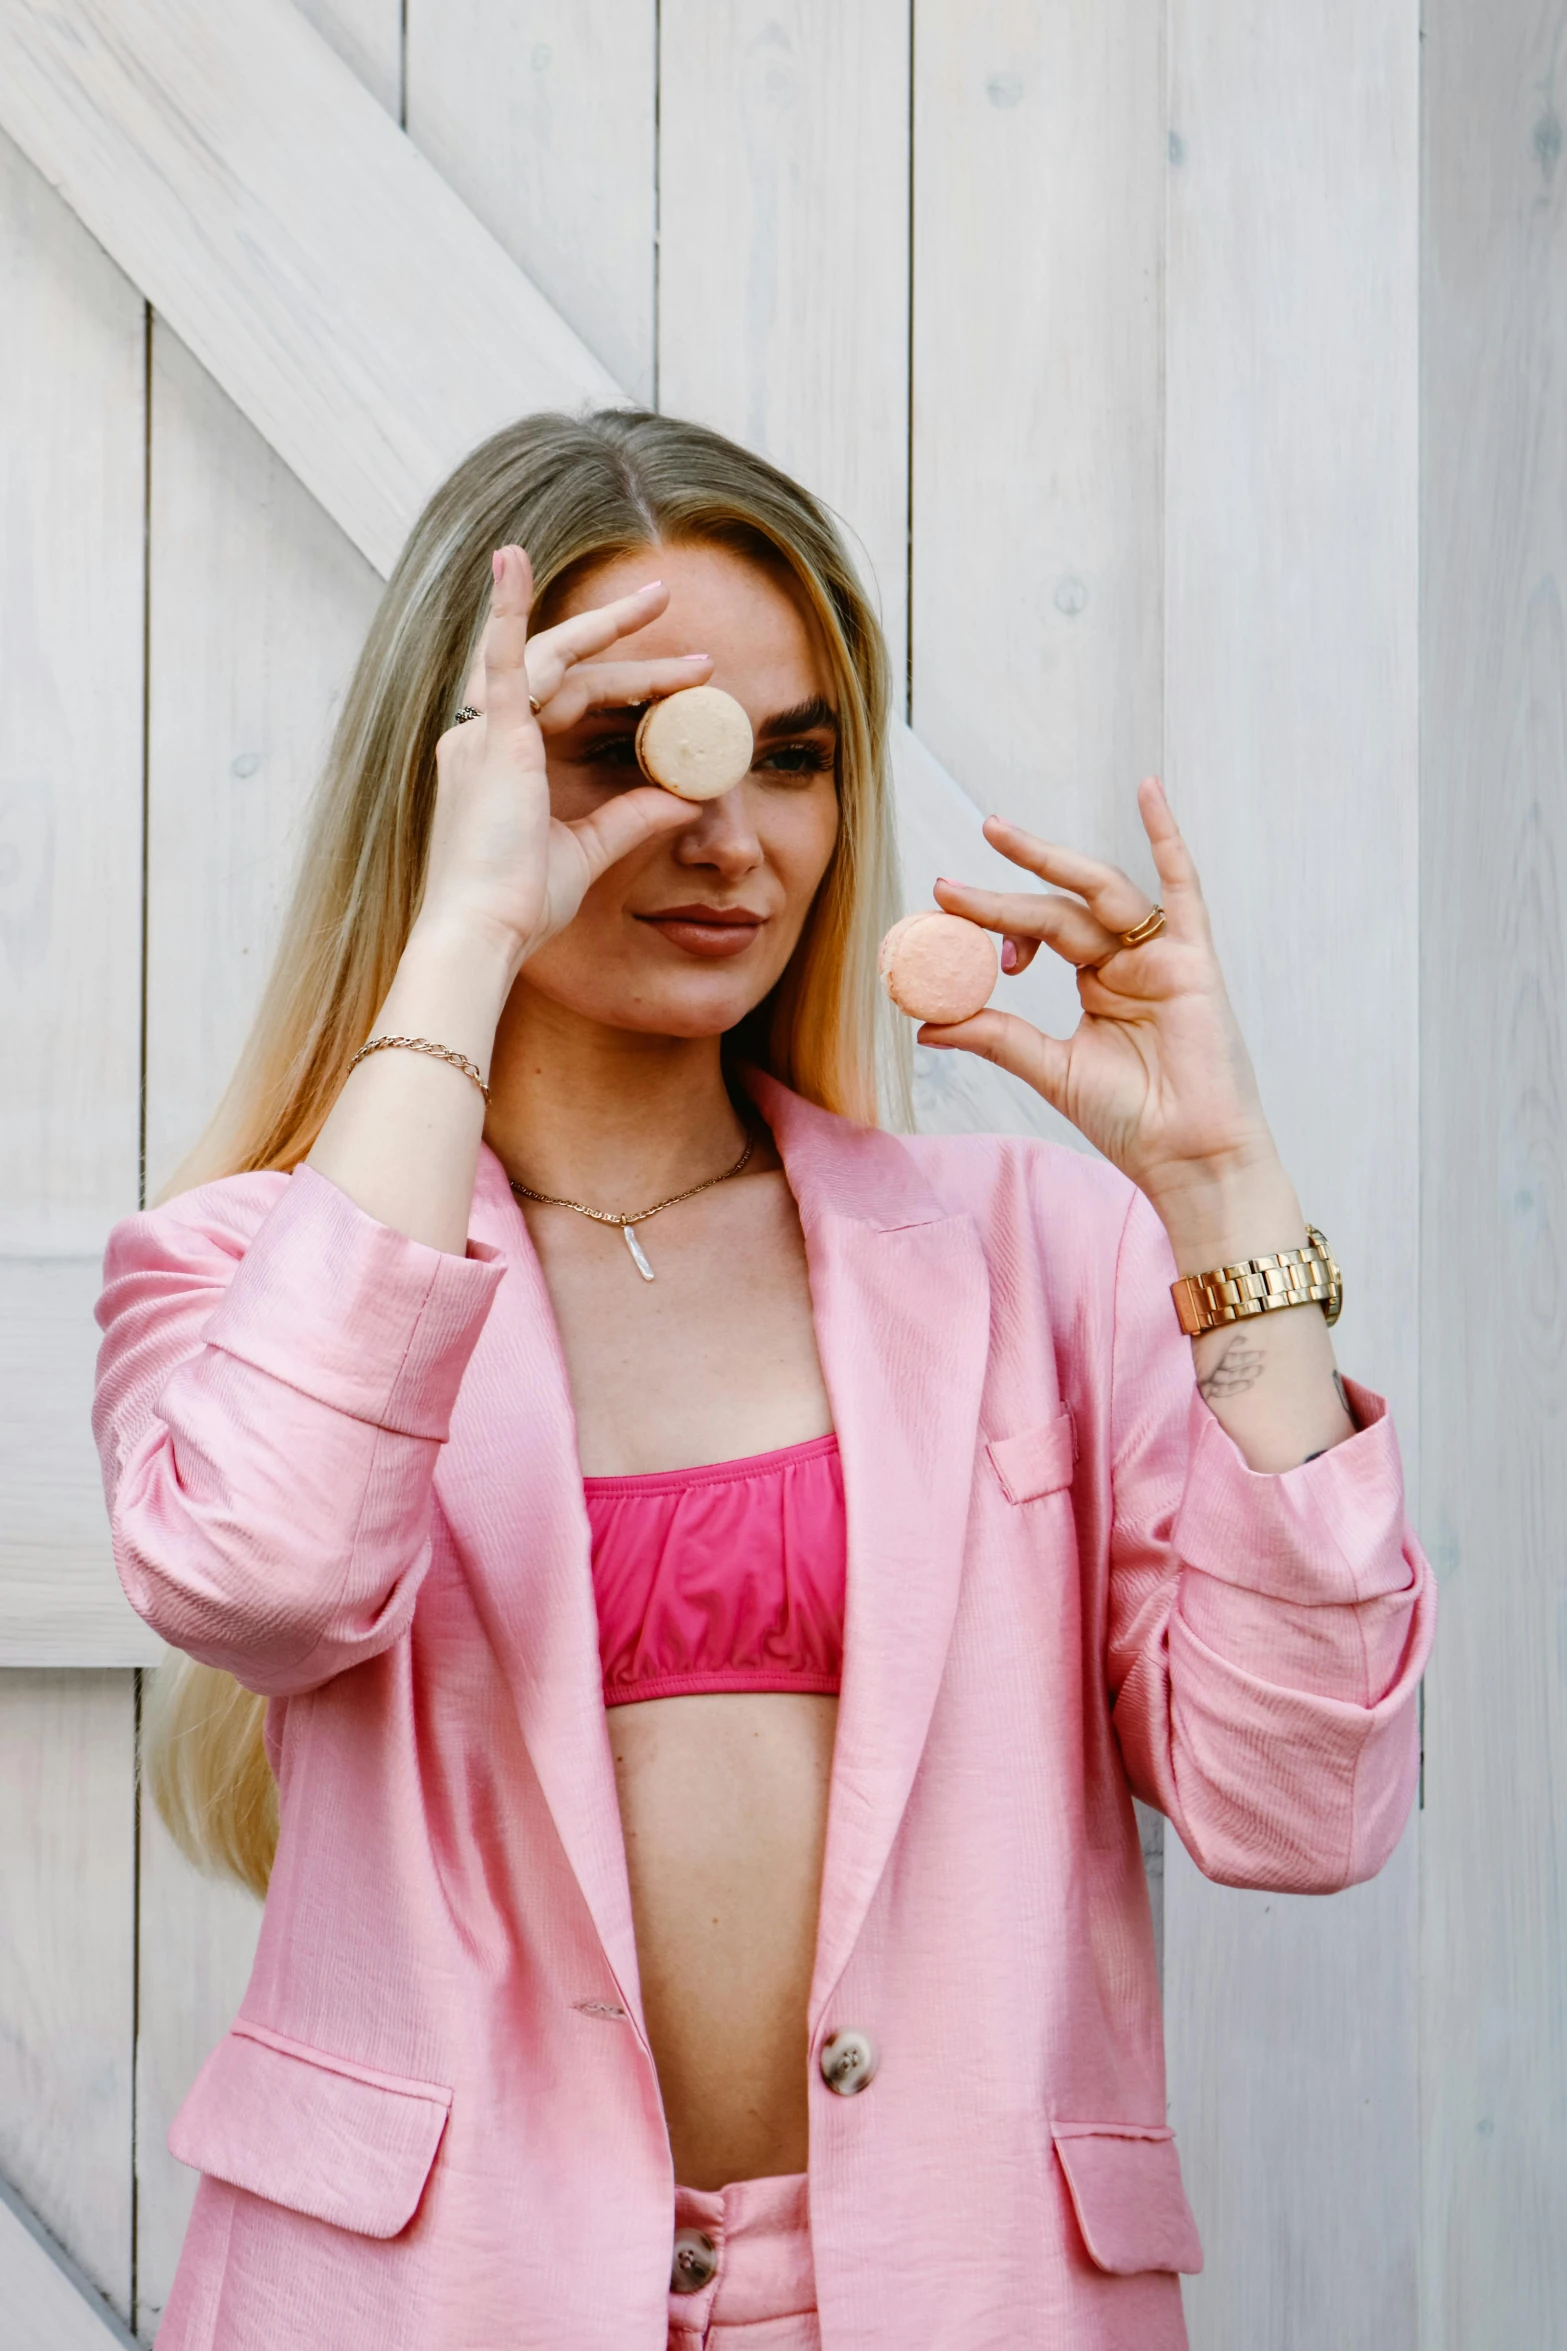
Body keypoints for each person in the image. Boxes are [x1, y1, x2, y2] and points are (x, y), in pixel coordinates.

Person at [93, 409, 1433, 2351]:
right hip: (432, 2298)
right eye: (628, 749)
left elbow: (1303, 1804)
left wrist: (1224, 1189)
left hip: (958, 2292)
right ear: (462, 779)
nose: (729, 831)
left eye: (793, 755)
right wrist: (465, 930)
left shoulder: (1039, 1260)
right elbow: (264, 1574)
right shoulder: (253, 1264)